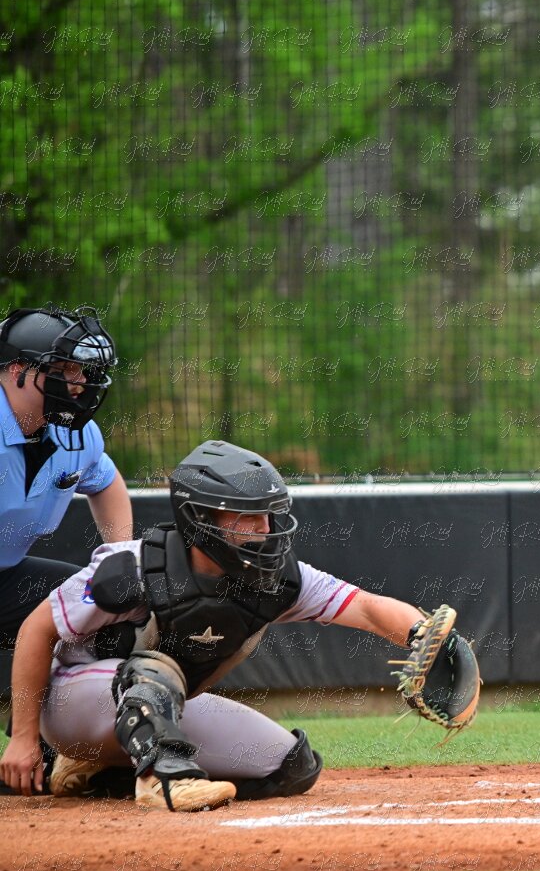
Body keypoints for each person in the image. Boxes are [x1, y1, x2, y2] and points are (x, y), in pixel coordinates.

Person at [0, 439, 442, 811]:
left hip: (158, 708)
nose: (263, 529)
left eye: (267, 514)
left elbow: (365, 607)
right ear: (201, 517)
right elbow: (36, 631)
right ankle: (163, 780)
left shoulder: (278, 579)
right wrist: (23, 738)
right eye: (247, 515)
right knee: (154, 671)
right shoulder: (133, 567)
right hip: (71, 705)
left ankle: (94, 774)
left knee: (290, 766)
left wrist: (425, 635)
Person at [0, 306, 132, 647]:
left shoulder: (74, 433)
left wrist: (119, 555)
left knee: (105, 609)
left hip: (7, 577)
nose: (81, 381)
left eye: (80, 369)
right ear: (18, 370)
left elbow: (105, 481)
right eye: (64, 369)